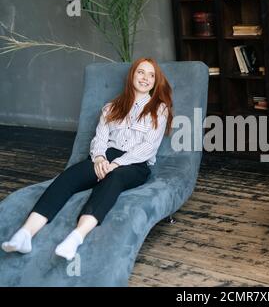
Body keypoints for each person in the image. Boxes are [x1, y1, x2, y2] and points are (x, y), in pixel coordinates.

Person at [2, 57, 173, 261]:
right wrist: (100, 159)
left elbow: (148, 146)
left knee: (114, 179)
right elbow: (100, 138)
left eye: (151, 75)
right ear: (132, 76)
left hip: (135, 163)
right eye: (141, 72)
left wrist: (116, 164)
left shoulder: (159, 109)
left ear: (155, 82)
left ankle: (76, 237)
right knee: (69, 177)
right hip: (106, 156)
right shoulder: (112, 107)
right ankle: (25, 234)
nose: (145, 78)